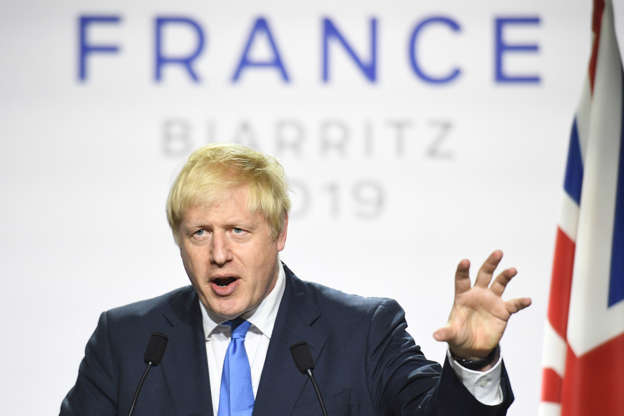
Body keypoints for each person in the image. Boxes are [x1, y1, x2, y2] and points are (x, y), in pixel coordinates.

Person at [60, 144, 531, 416]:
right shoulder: (129, 343)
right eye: (200, 233)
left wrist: (472, 361)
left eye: (238, 232)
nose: (219, 254)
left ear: (280, 231)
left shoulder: (363, 332)